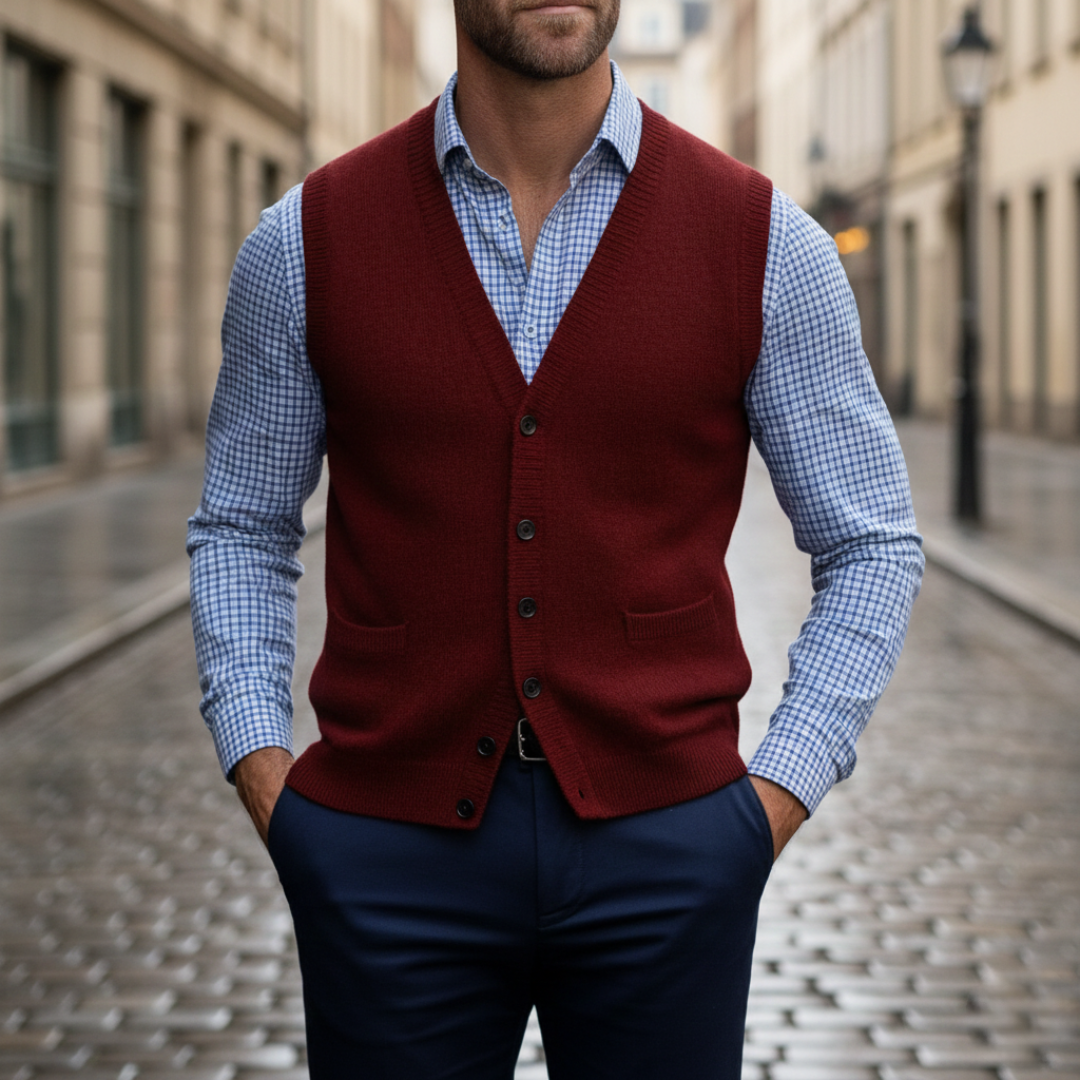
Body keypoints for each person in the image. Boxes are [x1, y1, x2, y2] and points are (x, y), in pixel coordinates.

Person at [187, 2, 923, 1077]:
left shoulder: (767, 243)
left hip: (671, 850)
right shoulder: (304, 242)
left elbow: (874, 542)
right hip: (388, 855)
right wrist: (268, 778)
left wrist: (762, 813)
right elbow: (242, 527)